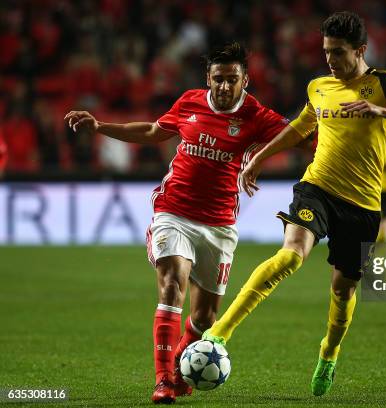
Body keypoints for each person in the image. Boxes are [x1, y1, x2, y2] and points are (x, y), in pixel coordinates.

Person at [201, 11, 386, 396]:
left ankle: (329, 352)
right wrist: (258, 157)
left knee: (344, 291)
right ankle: (217, 334)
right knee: (290, 255)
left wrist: (379, 110)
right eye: (326, 52)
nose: (330, 61)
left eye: (338, 53)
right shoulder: (319, 86)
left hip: (362, 205)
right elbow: (300, 128)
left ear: (360, 50)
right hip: (317, 188)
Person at [64, 42, 288, 404]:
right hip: (174, 211)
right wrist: (101, 126)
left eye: (233, 79)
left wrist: (259, 158)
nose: (225, 87)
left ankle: (184, 363)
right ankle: (164, 380)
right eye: (219, 79)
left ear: (245, 80)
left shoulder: (256, 115)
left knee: (205, 316)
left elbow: (299, 134)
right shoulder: (190, 102)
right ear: (208, 79)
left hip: (218, 225)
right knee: (172, 284)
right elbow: (154, 131)